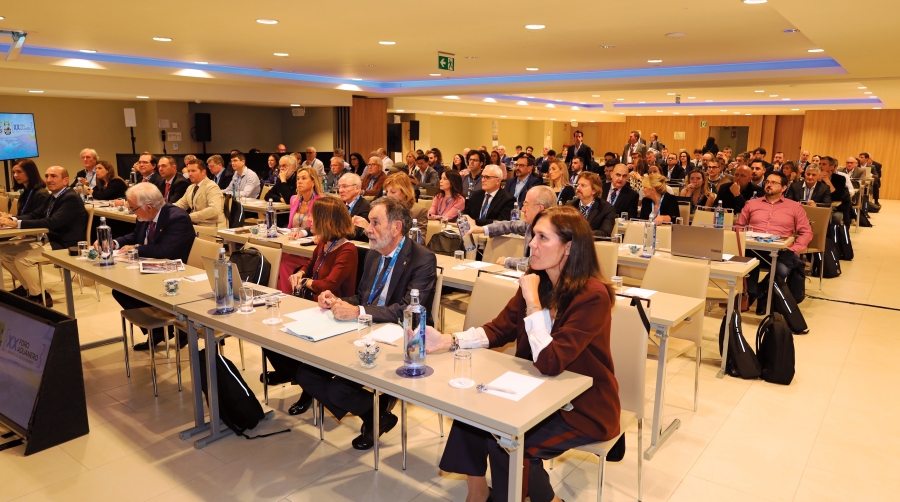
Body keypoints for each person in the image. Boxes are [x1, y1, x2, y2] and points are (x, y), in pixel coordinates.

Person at [431, 205, 620, 502]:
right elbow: (499, 329)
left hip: (581, 405)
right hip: (534, 390)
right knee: (470, 412)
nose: (532, 244)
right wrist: (450, 340)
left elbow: (551, 361)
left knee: (509, 444)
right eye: (534, 236)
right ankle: (478, 493)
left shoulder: (591, 296)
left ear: (569, 248)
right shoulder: (538, 279)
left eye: (543, 238)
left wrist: (532, 302)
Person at [295, 197, 437, 450]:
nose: (367, 229)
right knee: (305, 372)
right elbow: (362, 298)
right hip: (365, 329)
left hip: (401, 338)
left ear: (396, 228)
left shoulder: (422, 259)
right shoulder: (372, 255)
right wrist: (337, 300)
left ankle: (375, 411)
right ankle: (377, 413)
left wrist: (358, 310)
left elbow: (407, 310)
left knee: (339, 390)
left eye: (375, 223)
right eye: (369, 222)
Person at [261, 196, 360, 413]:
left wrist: (306, 282)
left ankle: (306, 385)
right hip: (314, 308)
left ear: (326, 221)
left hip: (334, 313)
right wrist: (301, 273)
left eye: (314, 219)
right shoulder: (325, 244)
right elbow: (309, 264)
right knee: (268, 335)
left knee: (289, 337)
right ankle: (296, 375)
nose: (309, 223)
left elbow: (330, 284)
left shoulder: (347, 250)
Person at [110, 183, 194, 349]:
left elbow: (165, 250)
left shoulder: (177, 218)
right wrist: (115, 243)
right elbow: (135, 235)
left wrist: (135, 249)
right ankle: (159, 331)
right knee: (121, 291)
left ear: (148, 207)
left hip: (174, 271)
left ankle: (169, 330)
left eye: (133, 208)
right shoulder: (145, 215)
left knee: (134, 290)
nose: (131, 211)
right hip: (151, 267)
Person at [1, 166, 88, 305]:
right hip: (49, 240)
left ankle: (41, 297)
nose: (48, 180)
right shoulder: (53, 196)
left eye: (53, 176)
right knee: (5, 253)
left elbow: (52, 222)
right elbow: (35, 214)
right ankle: (29, 289)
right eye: (47, 176)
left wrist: (17, 225)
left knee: (22, 259)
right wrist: (12, 220)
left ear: (65, 180)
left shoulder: (70, 198)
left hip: (65, 244)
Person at [738, 171, 812, 314]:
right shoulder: (752, 204)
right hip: (752, 249)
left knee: (781, 270)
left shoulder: (794, 207)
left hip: (780, 252)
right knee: (747, 265)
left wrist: (794, 249)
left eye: (774, 183)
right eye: (767, 182)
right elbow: (739, 227)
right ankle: (756, 294)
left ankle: (759, 294)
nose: (769, 185)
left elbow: (806, 232)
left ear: (784, 188)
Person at [465, 185, 557, 269]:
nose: (523, 209)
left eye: (526, 204)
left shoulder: (552, 233)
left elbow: (534, 262)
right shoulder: (531, 224)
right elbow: (509, 225)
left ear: (540, 209)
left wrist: (507, 261)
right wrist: (480, 229)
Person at [277, 166, 323, 293]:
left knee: (283, 263)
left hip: (309, 248)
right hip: (292, 244)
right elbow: (291, 225)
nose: (299, 181)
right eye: (298, 179)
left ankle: (286, 296)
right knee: (274, 257)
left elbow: (319, 228)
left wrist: (301, 233)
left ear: (313, 182)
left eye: (304, 178)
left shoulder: (320, 201)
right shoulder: (294, 199)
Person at [173, 158, 226, 227]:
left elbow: (214, 209)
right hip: (197, 226)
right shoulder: (191, 187)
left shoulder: (212, 187)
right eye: (189, 171)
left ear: (203, 172)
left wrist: (190, 216)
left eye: (193, 171)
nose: (190, 174)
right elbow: (182, 204)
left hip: (212, 227)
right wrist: (166, 209)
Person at [568, 171, 615, 237]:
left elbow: (604, 232)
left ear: (594, 190)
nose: (578, 188)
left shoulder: (606, 209)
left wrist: (581, 234)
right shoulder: (570, 205)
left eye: (583, 185)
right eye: (578, 185)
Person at [337, 173, 371, 241]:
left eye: (345, 186)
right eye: (339, 187)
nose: (340, 190)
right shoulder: (338, 205)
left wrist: (327, 235)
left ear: (357, 188)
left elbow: (353, 233)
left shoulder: (366, 208)